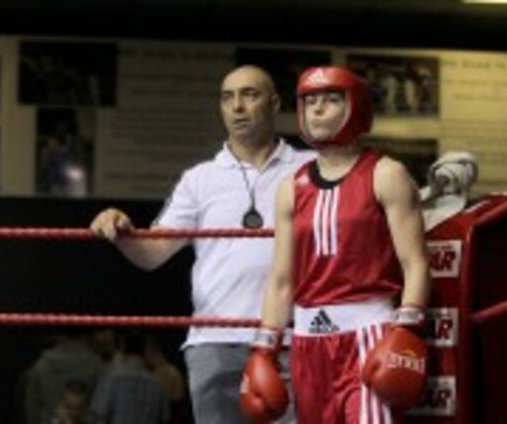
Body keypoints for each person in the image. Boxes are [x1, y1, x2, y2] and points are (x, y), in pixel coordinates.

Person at [89, 65, 315, 423]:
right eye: (227, 98)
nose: (237, 106)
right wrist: (121, 231)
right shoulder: (199, 179)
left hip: (293, 338)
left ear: (274, 104)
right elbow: (151, 256)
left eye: (249, 95)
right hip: (214, 342)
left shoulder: (311, 168)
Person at [240, 66, 431, 423]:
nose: (317, 108)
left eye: (330, 99)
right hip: (307, 343)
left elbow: (416, 262)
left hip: (368, 335)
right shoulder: (290, 188)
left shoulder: (386, 174)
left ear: (355, 106)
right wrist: (264, 347)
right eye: (310, 100)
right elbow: (281, 280)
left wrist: (407, 328)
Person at [89, 330, 170, 424]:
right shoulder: (156, 383)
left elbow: (98, 415)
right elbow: (164, 418)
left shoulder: (111, 377)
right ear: (145, 350)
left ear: (123, 347)